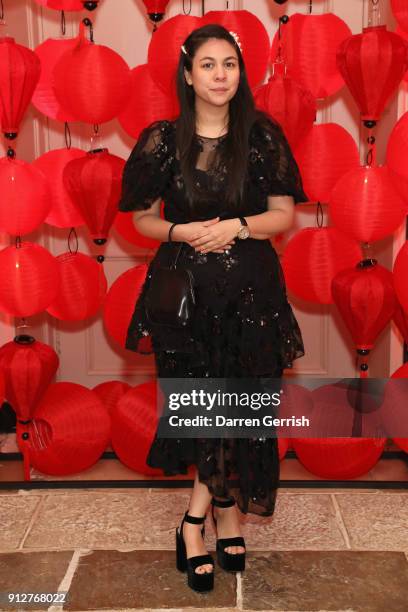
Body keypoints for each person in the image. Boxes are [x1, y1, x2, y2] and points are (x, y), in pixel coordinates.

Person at [118, 24, 308, 592]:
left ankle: (200, 519)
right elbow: (141, 219)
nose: (220, 75)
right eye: (208, 65)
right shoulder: (160, 140)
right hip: (187, 298)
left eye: (229, 64)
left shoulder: (261, 136)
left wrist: (237, 225)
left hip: (252, 294)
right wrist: (183, 229)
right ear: (187, 74)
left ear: (239, 72)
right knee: (205, 407)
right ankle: (212, 520)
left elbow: (283, 215)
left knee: (242, 407)